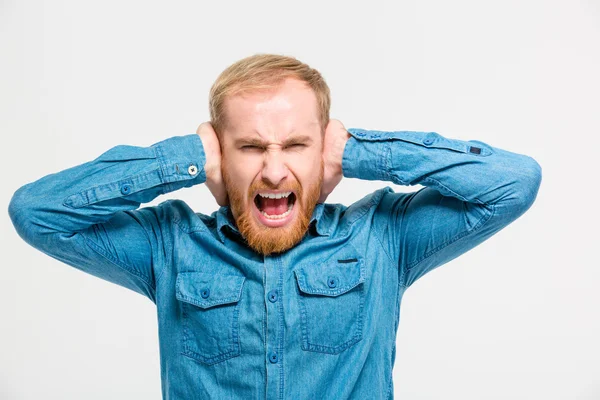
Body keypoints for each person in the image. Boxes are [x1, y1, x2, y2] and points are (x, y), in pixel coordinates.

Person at [8, 53, 542, 400]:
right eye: (249, 147)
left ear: (322, 151)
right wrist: (186, 158)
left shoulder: (382, 238)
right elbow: (37, 213)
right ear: (222, 153)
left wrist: (360, 151)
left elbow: (513, 182)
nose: (273, 169)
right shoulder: (169, 245)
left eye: (295, 145)